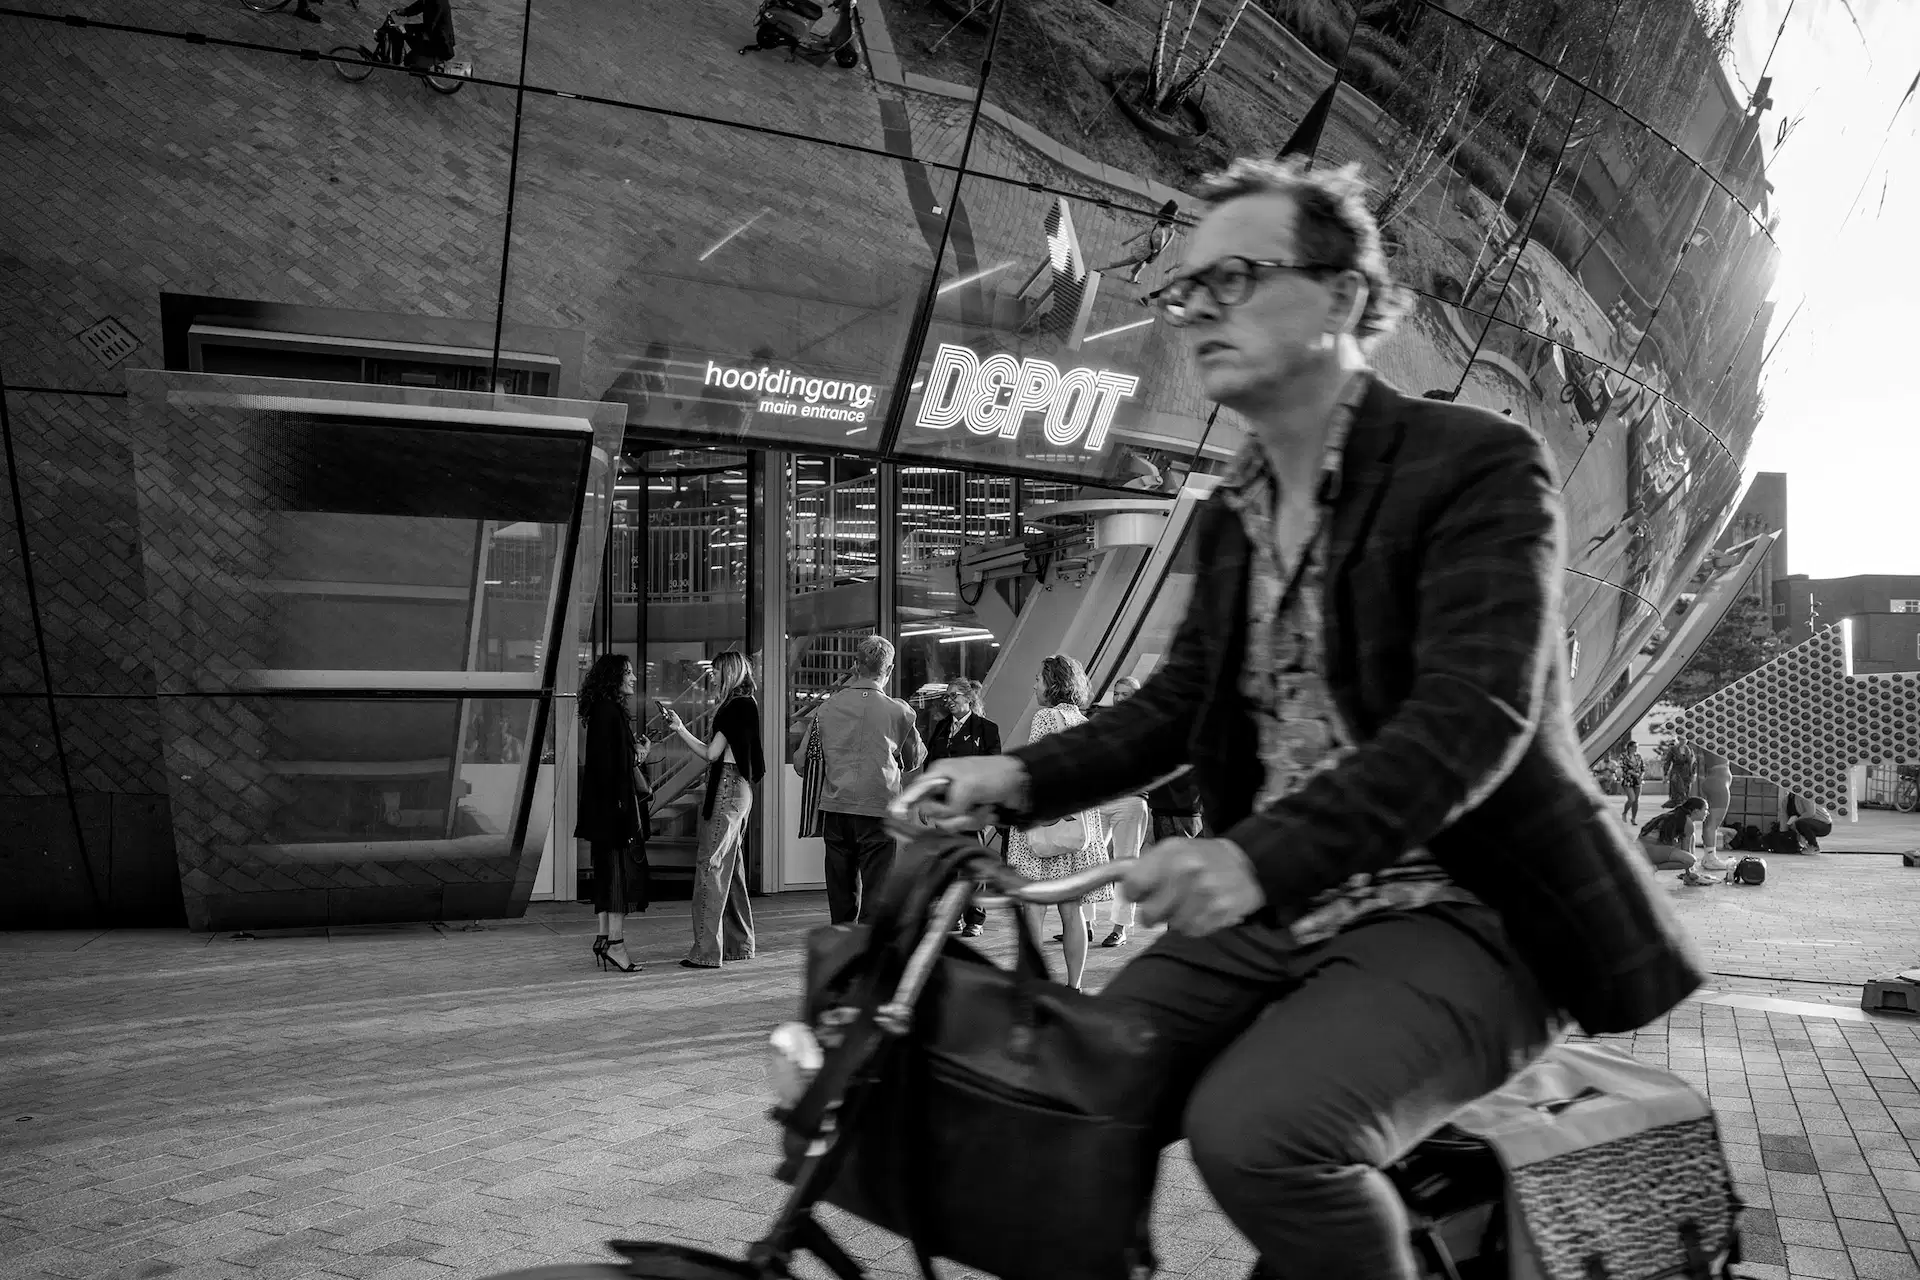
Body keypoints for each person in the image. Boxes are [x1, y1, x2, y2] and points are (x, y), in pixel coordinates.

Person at [915, 156, 1701, 1279]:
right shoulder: (1236, 512)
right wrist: (1017, 780)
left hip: (1471, 910)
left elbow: (1471, 714)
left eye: (1235, 276)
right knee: (1082, 1074)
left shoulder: (1476, 465)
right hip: (1285, 900)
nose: (1198, 311)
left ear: (1341, 296)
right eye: (1189, 289)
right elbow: (1182, 704)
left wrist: (1247, 857)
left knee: (1260, 1131)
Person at [794, 636, 925, 925]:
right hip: (879, 810)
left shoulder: (826, 709)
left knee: (841, 895)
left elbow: (802, 763)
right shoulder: (900, 712)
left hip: (836, 810)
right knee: (877, 893)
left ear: (855, 666)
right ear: (888, 670)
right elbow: (914, 761)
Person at [1003, 655, 1109, 991]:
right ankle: (1074, 986)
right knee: (1071, 910)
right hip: (1077, 825)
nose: (1034, 685)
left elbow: (1039, 771)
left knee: (1033, 908)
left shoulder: (1046, 717)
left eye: (1039, 678)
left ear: (1053, 683)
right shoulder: (1082, 721)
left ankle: (1033, 985)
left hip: (1046, 824)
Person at [662, 650, 764, 970]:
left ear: (730, 673)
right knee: (730, 869)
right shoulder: (748, 704)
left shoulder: (733, 707)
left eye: (717, 671)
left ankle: (705, 951)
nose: (713, 676)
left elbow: (711, 753)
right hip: (741, 789)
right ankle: (739, 944)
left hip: (727, 787)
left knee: (710, 867)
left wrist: (679, 728)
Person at [574, 654, 650, 974]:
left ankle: (604, 937)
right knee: (620, 878)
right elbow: (614, 768)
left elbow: (609, 762)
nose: (634, 678)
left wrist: (636, 755)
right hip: (615, 811)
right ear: (614, 677)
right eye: (628, 673)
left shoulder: (602, 710)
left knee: (608, 875)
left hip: (604, 812)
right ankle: (616, 945)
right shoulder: (611, 712)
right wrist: (639, 756)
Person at [925, 678, 1002, 939]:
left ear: (969, 698)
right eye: (946, 697)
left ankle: (975, 917)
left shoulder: (986, 729)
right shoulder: (941, 728)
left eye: (954, 696)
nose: (949, 701)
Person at [1091, 676, 1151, 948]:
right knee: (1089, 860)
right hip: (1101, 800)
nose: (1120, 698)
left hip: (1131, 800)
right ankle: (1085, 924)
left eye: (1127, 694)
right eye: (1117, 693)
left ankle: (1119, 927)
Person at [1638, 797, 1713, 884]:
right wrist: (1689, 873)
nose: (1708, 813)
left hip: (1642, 849)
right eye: (1706, 810)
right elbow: (1686, 852)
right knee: (1690, 861)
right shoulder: (1687, 822)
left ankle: (1691, 871)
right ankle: (1651, 868)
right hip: (1646, 851)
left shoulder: (1679, 817)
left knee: (1691, 837)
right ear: (1696, 811)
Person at [393, 0, 456, 68]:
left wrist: (419, 37)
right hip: (431, 32)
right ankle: (398, 59)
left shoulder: (438, 3)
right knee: (401, 29)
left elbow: (431, 26)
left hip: (440, 41)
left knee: (409, 61)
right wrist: (405, 11)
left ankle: (401, 61)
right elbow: (419, 6)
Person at [1618, 739, 1645, 823]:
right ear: (1629, 747)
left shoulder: (1638, 756)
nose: (1636, 748)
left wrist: (1641, 775)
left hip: (1637, 780)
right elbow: (1624, 768)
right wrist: (1634, 774)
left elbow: (1643, 767)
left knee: (1636, 800)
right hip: (1628, 780)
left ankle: (1633, 818)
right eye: (1634, 747)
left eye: (1637, 747)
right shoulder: (1623, 756)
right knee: (1631, 798)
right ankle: (1624, 813)